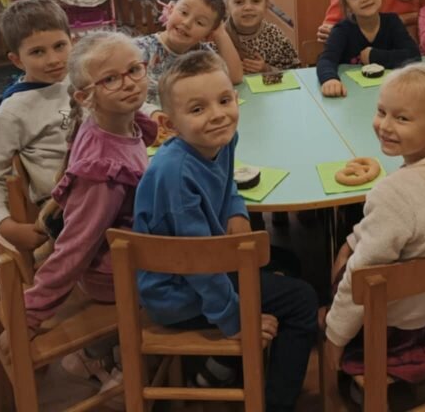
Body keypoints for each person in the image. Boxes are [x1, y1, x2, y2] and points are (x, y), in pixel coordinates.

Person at [133, 50, 318, 411]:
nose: (217, 115)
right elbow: (198, 263)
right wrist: (236, 320)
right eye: (197, 109)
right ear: (169, 124)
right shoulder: (175, 173)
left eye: (224, 101)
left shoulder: (220, 140)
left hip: (204, 264)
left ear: (235, 98)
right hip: (175, 292)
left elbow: (228, 183)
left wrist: (236, 212)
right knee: (302, 300)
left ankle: (221, 367)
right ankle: (275, 403)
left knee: (288, 263)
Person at [323, 63, 425, 385]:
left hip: (397, 329)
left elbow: (361, 279)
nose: (384, 126)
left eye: (402, 118)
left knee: (339, 265)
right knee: (349, 245)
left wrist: (335, 337)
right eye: (381, 112)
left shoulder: (392, 193)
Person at [23, 32, 155, 334]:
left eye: (134, 69)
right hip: (118, 276)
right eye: (110, 79)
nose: (129, 83)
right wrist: (30, 314)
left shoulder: (106, 122)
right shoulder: (102, 172)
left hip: (126, 255)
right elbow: (76, 246)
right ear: (85, 97)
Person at [0, 0, 72, 251]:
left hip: (103, 184)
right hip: (65, 207)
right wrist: (6, 226)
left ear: (72, 41)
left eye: (60, 46)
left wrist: (153, 113)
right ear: (17, 60)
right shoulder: (11, 112)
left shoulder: (80, 78)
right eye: (37, 52)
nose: (53, 59)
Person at [136, 0, 244, 114]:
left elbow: (235, 77)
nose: (186, 23)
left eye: (200, 22)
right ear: (170, 10)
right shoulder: (139, 49)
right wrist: (152, 113)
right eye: (183, 12)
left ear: (208, 34)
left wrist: (221, 34)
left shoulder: (203, 55)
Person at [317, 0, 421, 98]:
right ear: (348, 6)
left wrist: (374, 56)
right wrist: (330, 79)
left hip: (388, 94)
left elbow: (413, 55)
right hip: (352, 94)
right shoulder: (342, 30)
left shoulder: (392, 22)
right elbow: (326, 59)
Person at [223, 0, 299, 73]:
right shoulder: (219, 37)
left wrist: (266, 69)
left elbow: (295, 71)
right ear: (227, 7)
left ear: (266, 5)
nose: (248, 7)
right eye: (239, 2)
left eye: (256, 1)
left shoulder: (274, 35)